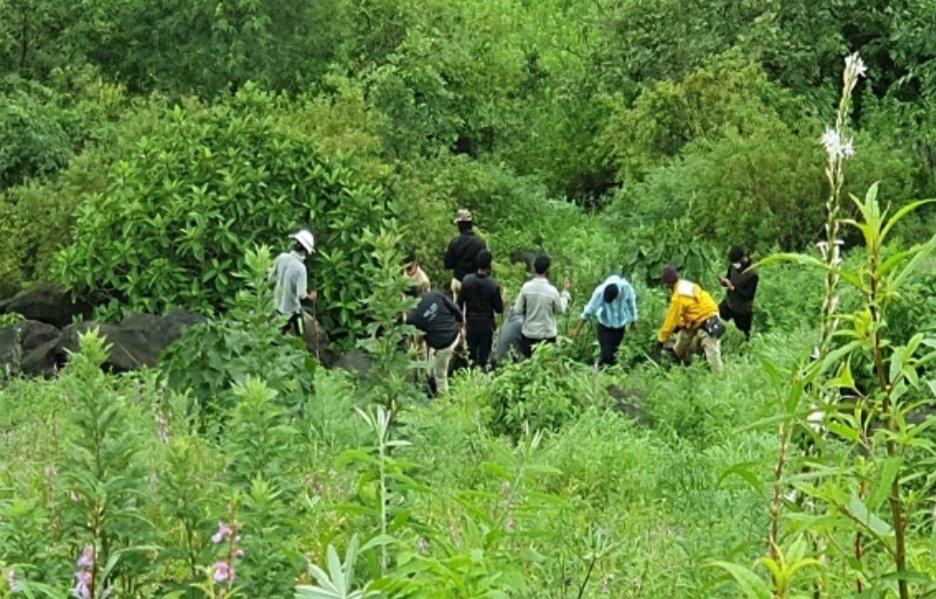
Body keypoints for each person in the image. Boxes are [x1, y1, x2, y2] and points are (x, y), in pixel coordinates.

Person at [656, 266, 724, 371]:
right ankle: (678, 356)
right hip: (696, 317)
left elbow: (670, 320)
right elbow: (690, 307)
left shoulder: (678, 297)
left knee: (712, 351)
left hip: (708, 318)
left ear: (668, 284)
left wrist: (661, 340)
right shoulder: (684, 284)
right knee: (684, 336)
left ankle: (719, 376)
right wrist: (681, 324)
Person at [570, 274, 638, 367]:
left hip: (620, 325)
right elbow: (588, 311)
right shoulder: (599, 292)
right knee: (606, 354)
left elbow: (631, 304)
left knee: (614, 354)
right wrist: (577, 331)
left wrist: (633, 321)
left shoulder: (626, 288)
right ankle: (599, 367)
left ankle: (606, 374)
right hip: (605, 325)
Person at [405, 288, 464, 395]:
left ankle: (443, 401)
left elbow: (417, 340)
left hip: (443, 347)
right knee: (432, 369)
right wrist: (460, 323)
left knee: (440, 376)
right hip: (455, 334)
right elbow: (455, 309)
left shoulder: (412, 318)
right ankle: (431, 381)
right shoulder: (435, 295)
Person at [514, 255, 571, 358]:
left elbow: (517, 309)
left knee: (528, 365)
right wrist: (565, 292)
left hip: (528, 335)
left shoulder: (526, 287)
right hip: (547, 336)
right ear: (547, 270)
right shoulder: (552, 291)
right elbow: (561, 309)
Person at [457, 250, 504, 368]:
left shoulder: (467, 281)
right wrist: (503, 301)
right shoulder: (493, 285)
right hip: (486, 325)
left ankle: (470, 379)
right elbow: (499, 309)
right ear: (489, 264)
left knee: (471, 355)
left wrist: (460, 321)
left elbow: (459, 303)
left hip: (471, 323)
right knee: (483, 357)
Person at [271, 229, 318, 335]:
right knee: (300, 332)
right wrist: (311, 296)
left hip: (277, 303)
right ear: (305, 251)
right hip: (291, 308)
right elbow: (301, 294)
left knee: (279, 332)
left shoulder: (281, 257)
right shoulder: (301, 268)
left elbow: (271, 277)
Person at [443, 209, 487, 299]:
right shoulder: (480, 243)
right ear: (471, 224)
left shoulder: (454, 242)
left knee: (458, 309)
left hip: (458, 281)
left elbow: (447, 264)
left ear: (459, 225)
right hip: (474, 283)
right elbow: (484, 264)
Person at [719, 245, 759, 340]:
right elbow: (729, 278)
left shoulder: (753, 274)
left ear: (743, 259)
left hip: (742, 310)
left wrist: (733, 288)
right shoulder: (733, 266)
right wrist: (724, 282)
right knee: (715, 318)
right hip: (729, 303)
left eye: (736, 262)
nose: (734, 264)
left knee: (746, 335)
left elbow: (749, 295)